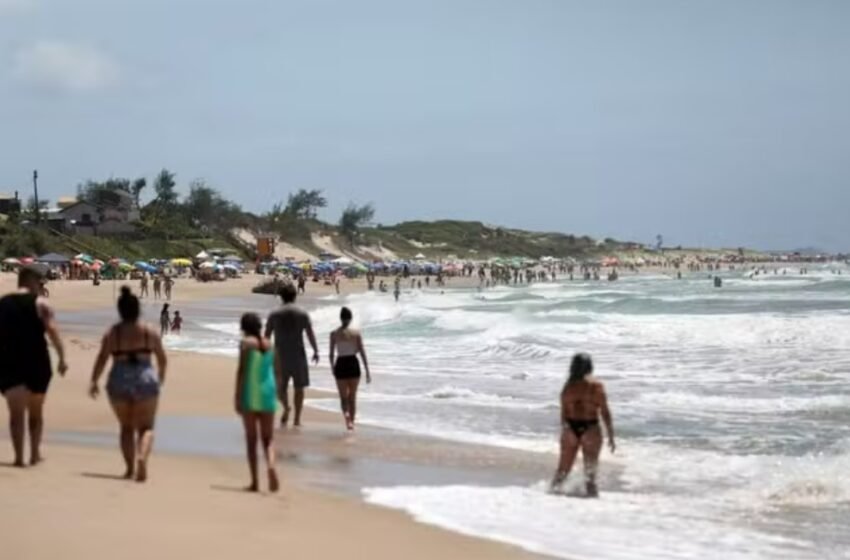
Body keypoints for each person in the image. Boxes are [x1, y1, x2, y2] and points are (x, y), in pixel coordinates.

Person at [89, 287, 167, 482]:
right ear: (138, 309)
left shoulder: (112, 333)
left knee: (125, 427)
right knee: (146, 428)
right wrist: (160, 379)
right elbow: (162, 359)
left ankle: (129, 468)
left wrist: (94, 381)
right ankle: (142, 458)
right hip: (146, 379)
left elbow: (102, 358)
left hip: (119, 379)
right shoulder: (150, 332)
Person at [0, 266, 68, 467]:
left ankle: (19, 457)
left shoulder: (2, 304)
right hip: (37, 363)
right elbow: (53, 332)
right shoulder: (41, 304)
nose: (41, 286)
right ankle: (35, 454)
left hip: (8, 364)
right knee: (36, 412)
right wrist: (62, 358)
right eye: (40, 282)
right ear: (30, 280)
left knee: (16, 414)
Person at [551, 353, 615, 497]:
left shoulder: (568, 386)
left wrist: (565, 432)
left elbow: (564, 413)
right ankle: (592, 507)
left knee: (562, 471)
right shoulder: (596, 386)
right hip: (590, 428)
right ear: (590, 366)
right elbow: (604, 411)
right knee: (590, 475)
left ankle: (550, 499)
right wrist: (611, 434)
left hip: (570, 429)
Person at [234, 313, 279, 492]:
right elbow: (276, 371)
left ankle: (255, 482)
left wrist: (237, 396)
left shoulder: (245, 344)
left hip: (251, 393)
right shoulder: (270, 345)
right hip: (268, 392)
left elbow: (241, 371)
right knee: (268, 439)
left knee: (252, 440)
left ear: (244, 327)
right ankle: (271, 466)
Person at [264, 283, 319, 427]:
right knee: (299, 388)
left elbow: (267, 335)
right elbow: (310, 333)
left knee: (279, 387)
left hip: (279, 355)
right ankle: (297, 419)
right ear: (295, 296)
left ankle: (287, 407)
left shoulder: (274, 314)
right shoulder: (302, 313)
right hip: (298, 354)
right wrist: (316, 350)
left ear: (281, 296)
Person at [329, 307, 371, 430]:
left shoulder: (334, 334)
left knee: (343, 397)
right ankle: (351, 422)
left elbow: (331, 354)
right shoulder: (356, 334)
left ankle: (347, 416)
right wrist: (367, 370)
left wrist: (332, 367)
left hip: (340, 364)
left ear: (340, 318)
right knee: (352, 397)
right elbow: (362, 352)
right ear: (350, 318)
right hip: (353, 363)